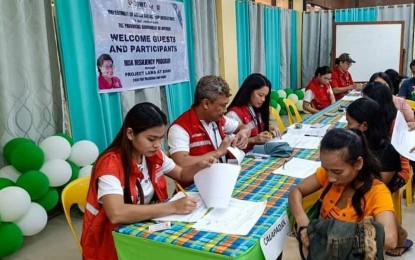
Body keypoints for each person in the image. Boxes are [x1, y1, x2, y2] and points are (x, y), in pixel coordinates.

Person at [81, 102, 215, 259]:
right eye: (151, 139)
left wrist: (199, 166)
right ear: (130, 134)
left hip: (142, 226)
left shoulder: (152, 155)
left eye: (160, 138)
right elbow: (117, 214)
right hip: (110, 241)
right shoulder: (110, 165)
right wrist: (172, 207)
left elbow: (181, 174)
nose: (157, 145)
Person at [288, 128, 398, 252]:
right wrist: (303, 223)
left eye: (337, 172)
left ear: (358, 163)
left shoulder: (377, 192)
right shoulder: (329, 173)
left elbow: (390, 240)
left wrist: (327, 234)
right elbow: (296, 191)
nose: (330, 178)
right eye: (325, 169)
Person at [168, 75, 250, 170]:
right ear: (206, 104)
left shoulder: (218, 119)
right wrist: (218, 152)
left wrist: (243, 133)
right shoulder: (180, 128)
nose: (225, 110)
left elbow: (243, 127)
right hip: (197, 183)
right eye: (223, 105)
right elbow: (181, 162)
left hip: (221, 175)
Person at [226, 73, 280, 152]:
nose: (263, 99)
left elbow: (259, 126)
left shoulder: (253, 108)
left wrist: (269, 127)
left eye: (265, 96)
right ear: (249, 91)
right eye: (260, 95)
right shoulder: (233, 114)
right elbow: (231, 145)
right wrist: (254, 140)